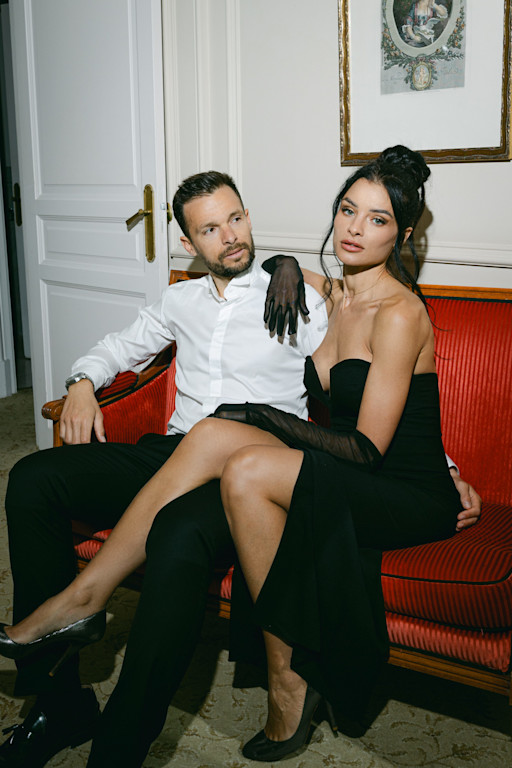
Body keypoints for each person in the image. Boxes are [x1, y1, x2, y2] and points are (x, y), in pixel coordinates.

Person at [0, 164, 480, 768]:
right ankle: (56, 700)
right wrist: (79, 383)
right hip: (178, 449)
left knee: (180, 527)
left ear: (249, 217)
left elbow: (384, 407)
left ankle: (117, 731)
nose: (229, 236)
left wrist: (445, 468)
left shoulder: (309, 301)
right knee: (32, 478)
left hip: (255, 459)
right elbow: (121, 346)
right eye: (210, 229)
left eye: (235, 219)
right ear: (188, 242)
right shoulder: (197, 297)